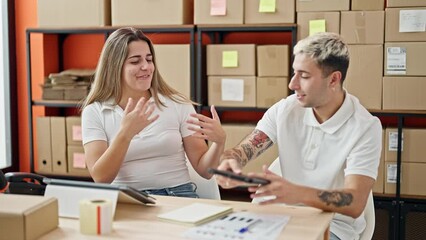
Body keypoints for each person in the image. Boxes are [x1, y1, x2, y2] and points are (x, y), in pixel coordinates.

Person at [215, 32, 382, 240]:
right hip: (278, 219)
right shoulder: (285, 109)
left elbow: (355, 202)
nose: (292, 84)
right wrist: (230, 162)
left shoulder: (365, 127)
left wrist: (296, 193)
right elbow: (242, 151)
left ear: (334, 79)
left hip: (334, 227)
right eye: (294, 73)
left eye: (304, 76)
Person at [81, 27, 226, 198]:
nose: (146, 67)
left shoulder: (178, 104)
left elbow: (205, 171)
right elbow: (101, 178)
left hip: (178, 195)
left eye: (149, 60)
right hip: (128, 199)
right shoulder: (95, 112)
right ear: (114, 67)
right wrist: (125, 134)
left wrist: (219, 142)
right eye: (135, 61)